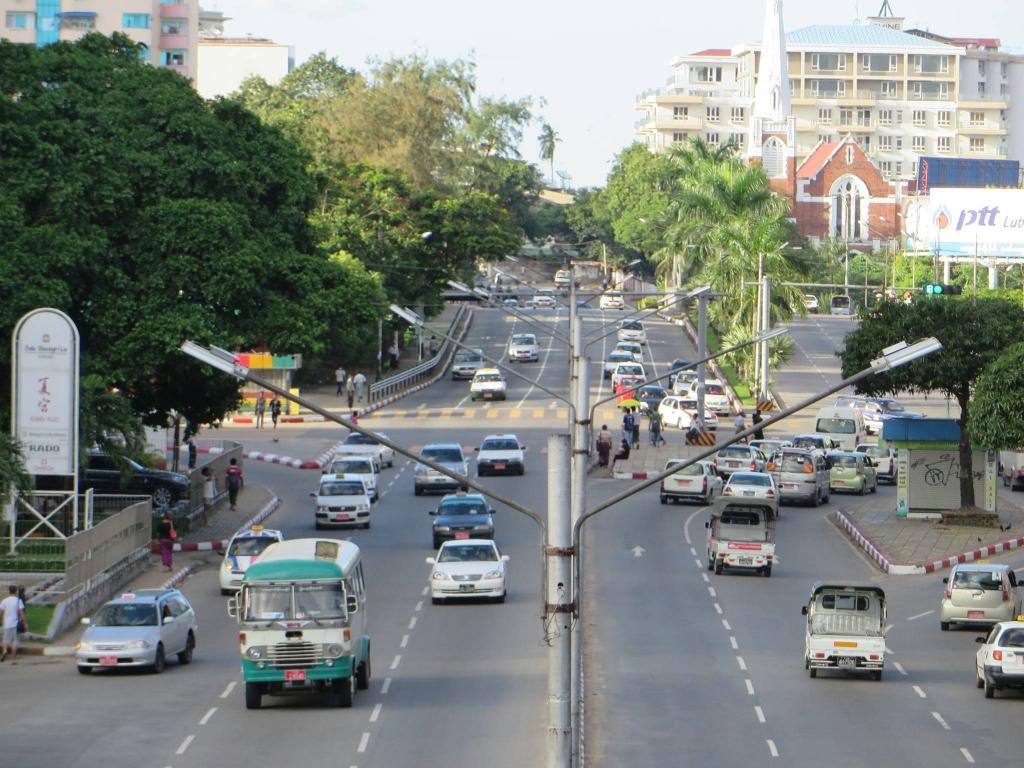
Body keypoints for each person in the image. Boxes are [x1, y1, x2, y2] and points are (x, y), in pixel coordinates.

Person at [1, 585, 26, 664]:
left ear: (9, 591)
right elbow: (21, 613)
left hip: (6, 624)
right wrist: (24, 623)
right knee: (15, 642)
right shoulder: (18, 601)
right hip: (15, 624)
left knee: (5, 640)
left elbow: (0, 612)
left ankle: (4, 651)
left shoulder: (4, 601)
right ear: (16, 591)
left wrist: (1, 620)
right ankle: (13, 660)